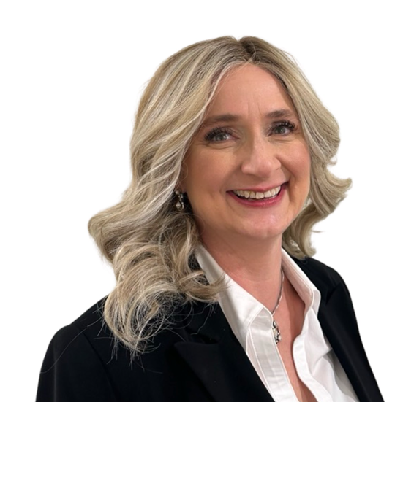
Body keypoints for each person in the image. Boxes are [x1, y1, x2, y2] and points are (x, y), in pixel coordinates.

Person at [36, 36, 383, 402]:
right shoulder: (97, 357)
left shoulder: (327, 293)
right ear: (174, 167)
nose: (261, 163)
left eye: (281, 128)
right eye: (221, 135)